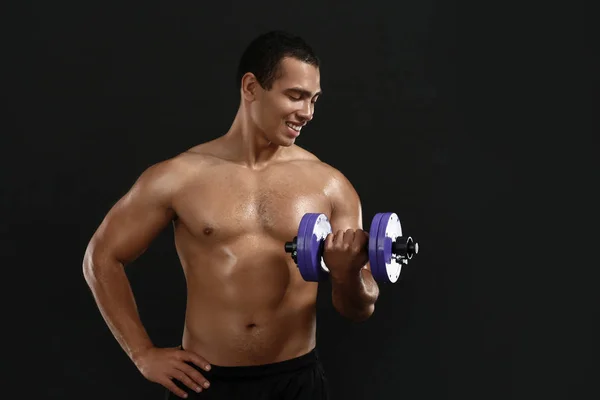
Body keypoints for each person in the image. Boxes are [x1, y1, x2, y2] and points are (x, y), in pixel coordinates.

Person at [83, 30, 380, 399]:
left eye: (314, 100)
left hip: (296, 382)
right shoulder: (179, 176)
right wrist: (142, 353)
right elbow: (101, 256)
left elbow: (359, 307)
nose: (307, 112)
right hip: (207, 382)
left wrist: (347, 271)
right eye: (295, 96)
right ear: (252, 87)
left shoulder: (330, 185)